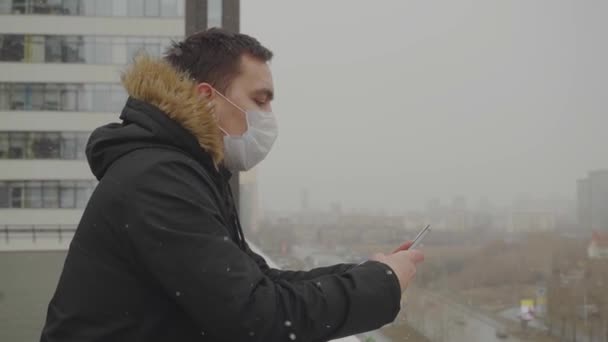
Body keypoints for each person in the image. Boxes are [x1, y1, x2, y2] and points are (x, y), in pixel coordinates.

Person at [40, 28, 424, 342]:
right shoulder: (158, 179)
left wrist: (366, 272)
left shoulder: (186, 169)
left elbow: (257, 280)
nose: (268, 117)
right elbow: (256, 317)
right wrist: (381, 286)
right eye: (260, 101)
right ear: (207, 99)